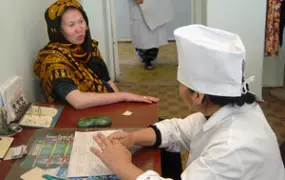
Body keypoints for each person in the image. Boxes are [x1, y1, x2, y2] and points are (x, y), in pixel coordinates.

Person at [90, 25, 285, 180]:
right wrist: (133, 138)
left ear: (198, 96)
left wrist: (122, 167)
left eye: (181, 83)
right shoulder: (228, 108)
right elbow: (179, 129)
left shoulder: (233, 147)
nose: (179, 87)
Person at [34, 0, 158, 109]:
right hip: (74, 119)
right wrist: (123, 96)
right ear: (58, 30)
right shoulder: (54, 61)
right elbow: (78, 101)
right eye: (71, 25)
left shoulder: (88, 48)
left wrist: (120, 105)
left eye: (81, 21)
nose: (79, 28)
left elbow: (107, 80)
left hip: (105, 108)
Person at [128, 0, 173, 70]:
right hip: (139, 4)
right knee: (141, 32)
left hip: (155, 4)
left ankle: (150, 57)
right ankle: (145, 58)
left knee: (155, 30)